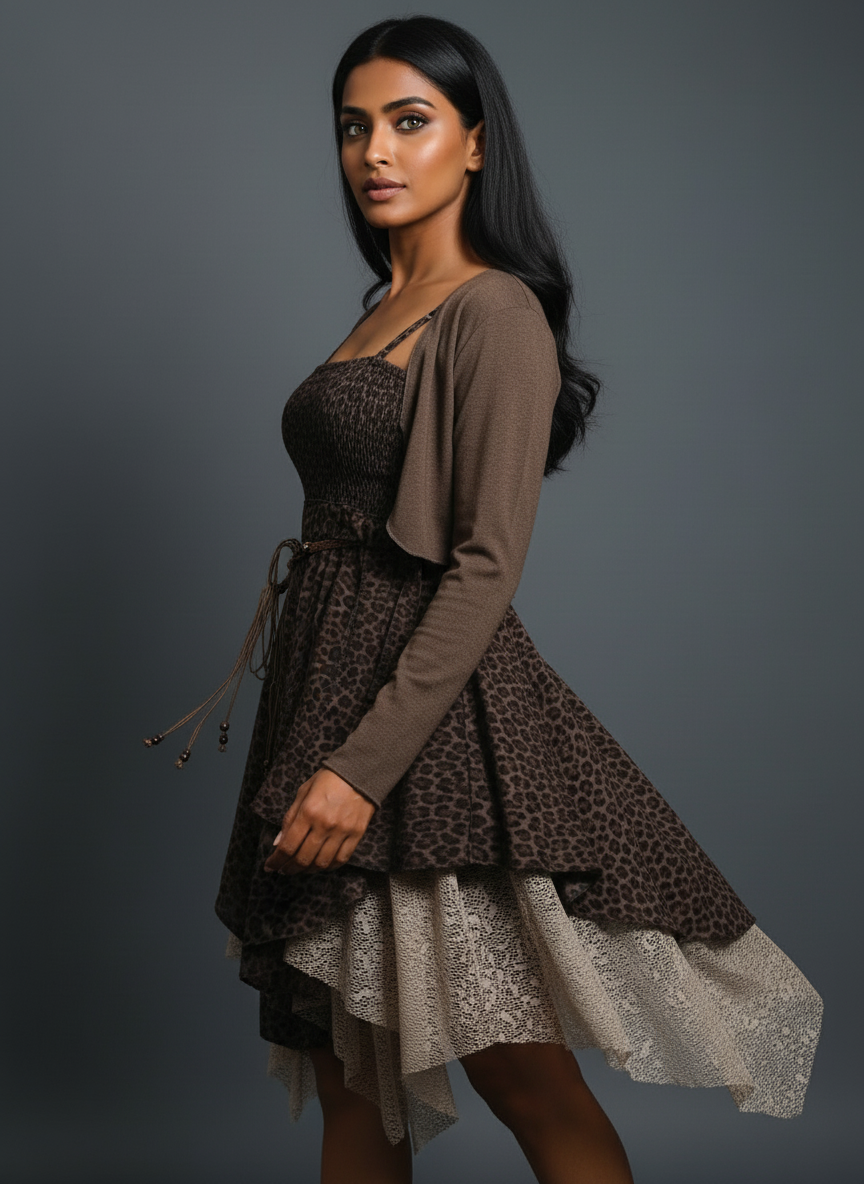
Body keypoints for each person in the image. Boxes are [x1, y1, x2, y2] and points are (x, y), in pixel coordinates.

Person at [146, 15, 822, 1184]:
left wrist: (361, 767)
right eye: (354, 126)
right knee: (356, 1079)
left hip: (428, 735)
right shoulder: (383, 305)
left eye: (409, 121)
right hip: (323, 688)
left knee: (525, 1078)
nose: (375, 150)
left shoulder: (492, 310)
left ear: (473, 143)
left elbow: (484, 564)